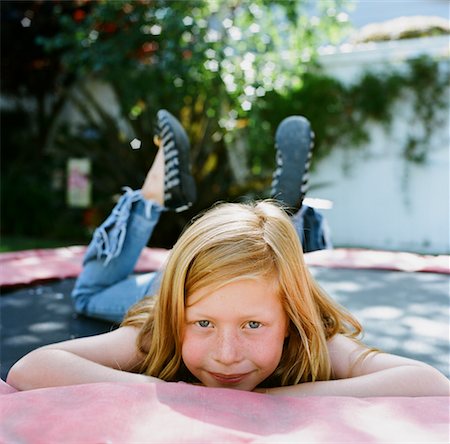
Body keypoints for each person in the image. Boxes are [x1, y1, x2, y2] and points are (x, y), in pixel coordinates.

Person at [6, 111, 449, 396]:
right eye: (203, 324)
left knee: (97, 292)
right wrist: (178, 391)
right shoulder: (160, 329)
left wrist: (282, 395)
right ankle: (286, 219)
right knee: (89, 294)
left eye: (254, 325)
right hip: (171, 281)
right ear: (178, 313)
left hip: (213, 277)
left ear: (292, 321)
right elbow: (32, 370)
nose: (227, 354)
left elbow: (429, 385)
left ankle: (160, 196)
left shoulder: (309, 339)